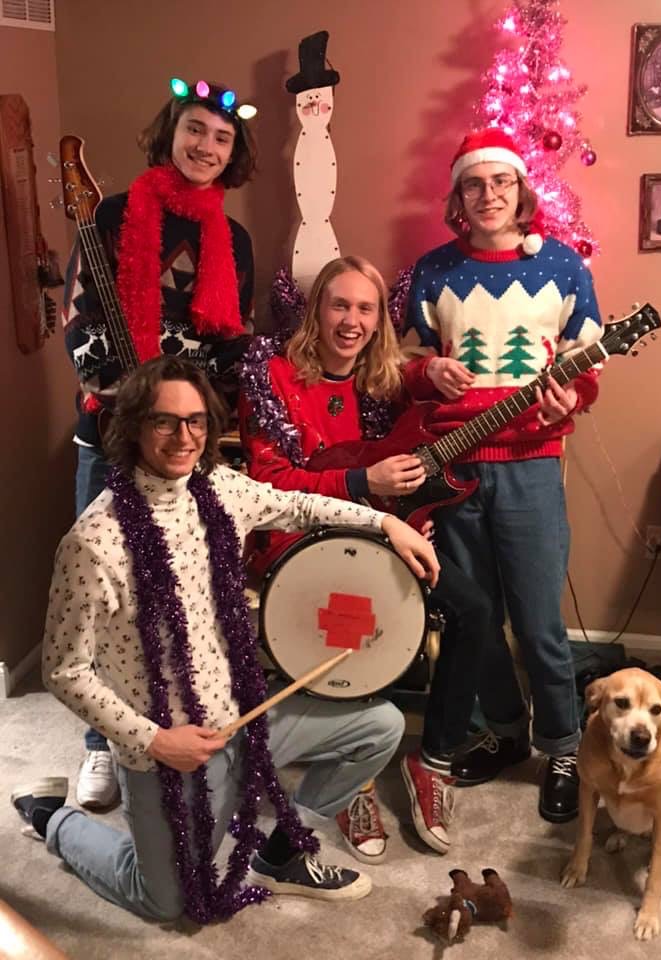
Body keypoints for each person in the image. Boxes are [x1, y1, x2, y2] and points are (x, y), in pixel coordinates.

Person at [10, 356, 438, 922]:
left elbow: (298, 505)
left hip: (245, 717)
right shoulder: (93, 542)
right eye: (164, 421)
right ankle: (50, 816)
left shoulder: (219, 489)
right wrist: (156, 741)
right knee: (164, 901)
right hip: (169, 749)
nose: (183, 437)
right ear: (134, 426)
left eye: (195, 421)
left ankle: (281, 855)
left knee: (379, 727)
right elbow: (65, 671)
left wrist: (386, 523)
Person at [239, 256, 491, 857]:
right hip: (298, 538)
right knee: (359, 617)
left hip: (385, 534)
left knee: (475, 610)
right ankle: (357, 775)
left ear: (380, 320)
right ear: (316, 310)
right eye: (339, 305)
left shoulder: (383, 378)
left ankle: (432, 760)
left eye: (365, 308)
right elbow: (269, 484)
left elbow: (418, 377)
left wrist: (435, 369)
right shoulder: (274, 376)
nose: (351, 321)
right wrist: (360, 481)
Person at [63, 78, 256, 809]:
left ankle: (168, 727)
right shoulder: (113, 215)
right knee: (104, 596)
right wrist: (123, 388)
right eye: (195, 129)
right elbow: (78, 319)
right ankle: (100, 747)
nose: (206, 146)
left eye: (222, 137)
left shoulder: (233, 240)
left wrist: (197, 410)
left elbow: (228, 343)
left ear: (233, 153)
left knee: (177, 592)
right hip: (110, 434)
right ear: (170, 133)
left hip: (184, 445)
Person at [403, 129, 603, 823]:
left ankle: (563, 747)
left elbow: (587, 364)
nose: (488, 195)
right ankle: (508, 731)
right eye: (474, 184)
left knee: (540, 622)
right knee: (477, 619)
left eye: (501, 182)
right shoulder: (432, 271)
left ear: (521, 192)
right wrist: (428, 370)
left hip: (530, 468)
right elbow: (404, 364)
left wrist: (572, 397)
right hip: (454, 468)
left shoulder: (565, 267)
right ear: (457, 196)